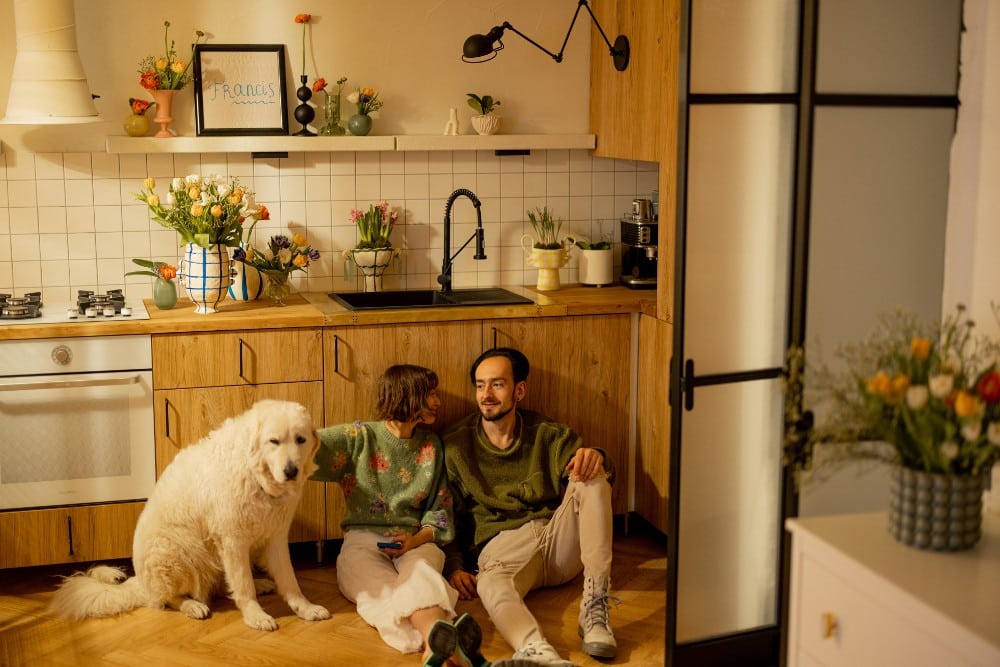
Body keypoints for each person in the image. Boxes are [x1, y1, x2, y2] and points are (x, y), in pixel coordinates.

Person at [442, 348, 618, 667]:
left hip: (558, 541)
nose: (486, 395)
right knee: (490, 585)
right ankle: (537, 652)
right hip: (502, 549)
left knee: (592, 478)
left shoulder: (547, 434)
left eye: (497, 384)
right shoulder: (455, 444)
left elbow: (589, 472)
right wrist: (454, 563)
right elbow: (446, 511)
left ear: (519, 390)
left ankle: (595, 610)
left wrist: (598, 456)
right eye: (480, 385)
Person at [312, 364, 492, 667]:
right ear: (405, 395)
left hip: (416, 538)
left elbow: (440, 509)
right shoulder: (360, 438)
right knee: (375, 590)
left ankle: (433, 644)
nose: (437, 402)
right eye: (430, 394)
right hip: (363, 540)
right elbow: (307, 446)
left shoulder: (431, 446)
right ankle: (439, 641)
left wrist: (415, 540)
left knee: (420, 573)